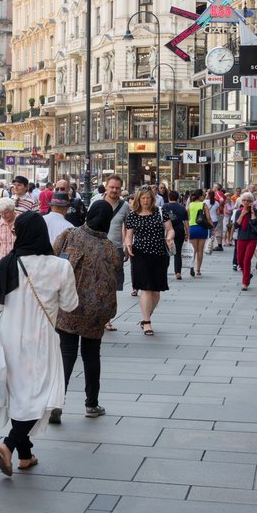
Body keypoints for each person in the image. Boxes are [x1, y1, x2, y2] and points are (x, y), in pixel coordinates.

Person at [0, 213, 78, 475]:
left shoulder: (8, 263)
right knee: (41, 394)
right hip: (41, 338)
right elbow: (70, 305)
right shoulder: (60, 266)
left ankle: (25, 454)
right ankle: (9, 446)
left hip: (9, 337)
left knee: (19, 394)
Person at [48, 200, 118, 423]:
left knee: (66, 356)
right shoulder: (109, 248)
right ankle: (91, 404)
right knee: (91, 355)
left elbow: (50, 258)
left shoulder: (69, 235)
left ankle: (57, 403)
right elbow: (114, 275)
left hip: (68, 306)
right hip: (95, 313)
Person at [123, 187, 171, 335]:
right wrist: (128, 244)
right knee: (146, 288)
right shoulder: (133, 215)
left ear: (152, 199)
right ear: (138, 199)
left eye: (148, 198)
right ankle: (147, 322)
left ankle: (145, 318)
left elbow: (170, 229)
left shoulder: (161, 212)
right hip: (140, 254)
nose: (145, 201)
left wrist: (170, 236)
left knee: (156, 292)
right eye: (143, 198)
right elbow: (129, 234)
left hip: (159, 254)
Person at [90, 175, 128, 331]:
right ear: (106, 187)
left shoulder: (124, 206)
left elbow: (128, 226)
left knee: (112, 286)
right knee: (95, 283)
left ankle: (106, 318)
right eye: (112, 187)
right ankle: (95, 315)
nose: (114, 190)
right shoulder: (95, 202)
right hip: (96, 247)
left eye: (117, 188)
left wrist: (127, 244)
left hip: (116, 249)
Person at [232, 192, 257, 290]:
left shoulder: (255, 211)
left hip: (252, 238)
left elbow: (254, 222)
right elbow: (236, 225)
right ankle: (247, 274)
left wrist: (252, 211)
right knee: (240, 260)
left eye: (248, 200)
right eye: (244, 200)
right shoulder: (238, 211)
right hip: (241, 237)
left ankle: (245, 283)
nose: (246, 202)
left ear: (251, 202)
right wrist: (242, 214)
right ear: (241, 201)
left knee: (246, 260)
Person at [164, 190, 188, 279]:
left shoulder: (164, 207)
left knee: (166, 252)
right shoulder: (182, 208)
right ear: (178, 198)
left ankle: (164, 271)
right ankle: (178, 272)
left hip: (167, 231)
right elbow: (186, 222)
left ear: (169, 197)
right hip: (179, 230)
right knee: (178, 252)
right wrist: (187, 233)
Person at [185, 189, 210, 277]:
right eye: (203, 195)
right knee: (200, 250)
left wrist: (186, 229)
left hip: (192, 228)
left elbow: (186, 218)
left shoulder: (190, 205)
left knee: (193, 250)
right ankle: (198, 269)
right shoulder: (204, 205)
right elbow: (208, 218)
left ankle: (191, 265)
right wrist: (212, 228)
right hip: (202, 228)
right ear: (200, 196)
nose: (204, 197)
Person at [0, 197, 17, 270]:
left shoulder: (20, 222)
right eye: (1, 213)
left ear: (12, 210)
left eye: (6, 212)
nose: (4, 215)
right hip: (2, 262)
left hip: (17, 262)